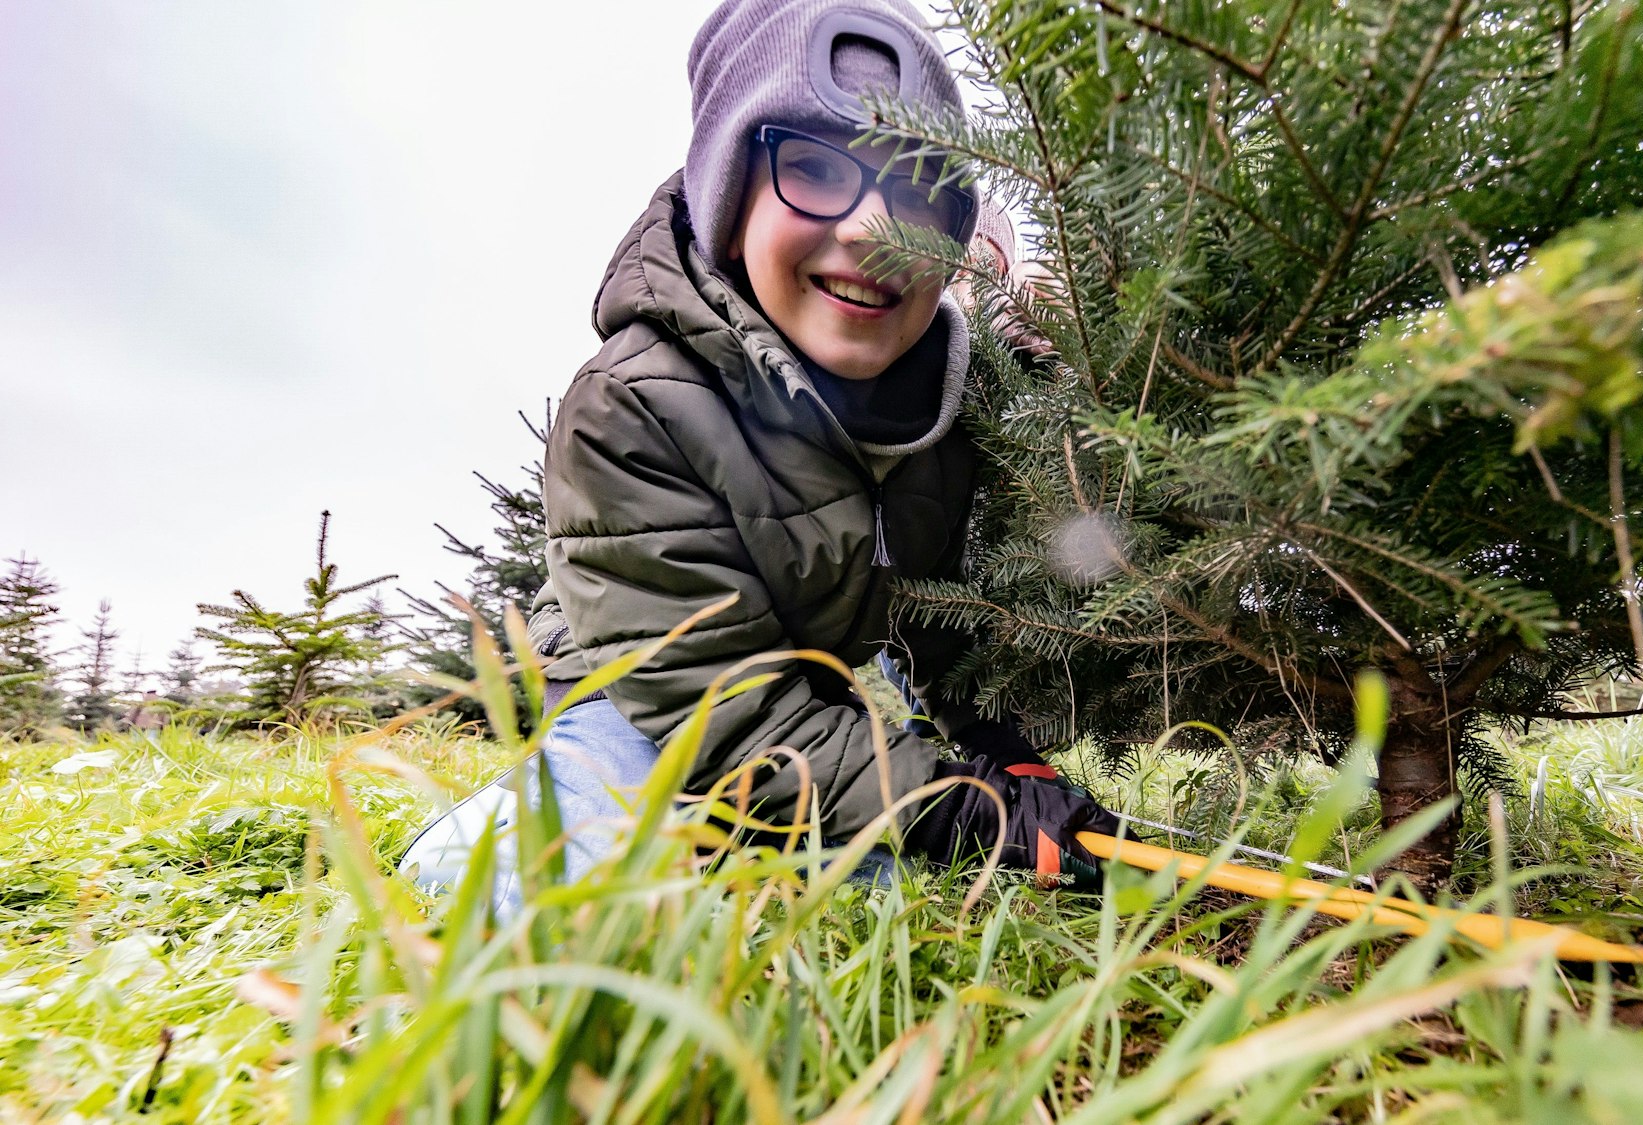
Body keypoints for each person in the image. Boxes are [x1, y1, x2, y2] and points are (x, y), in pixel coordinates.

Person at [401, 0, 1117, 908]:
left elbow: (943, 618)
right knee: (576, 868)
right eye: (815, 169)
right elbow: (724, 713)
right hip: (644, 696)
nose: (869, 230)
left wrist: (1006, 763)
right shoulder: (632, 407)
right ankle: (479, 848)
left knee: (872, 883)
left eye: (914, 185)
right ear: (729, 196)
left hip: (803, 692)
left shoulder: (948, 406)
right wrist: (960, 805)